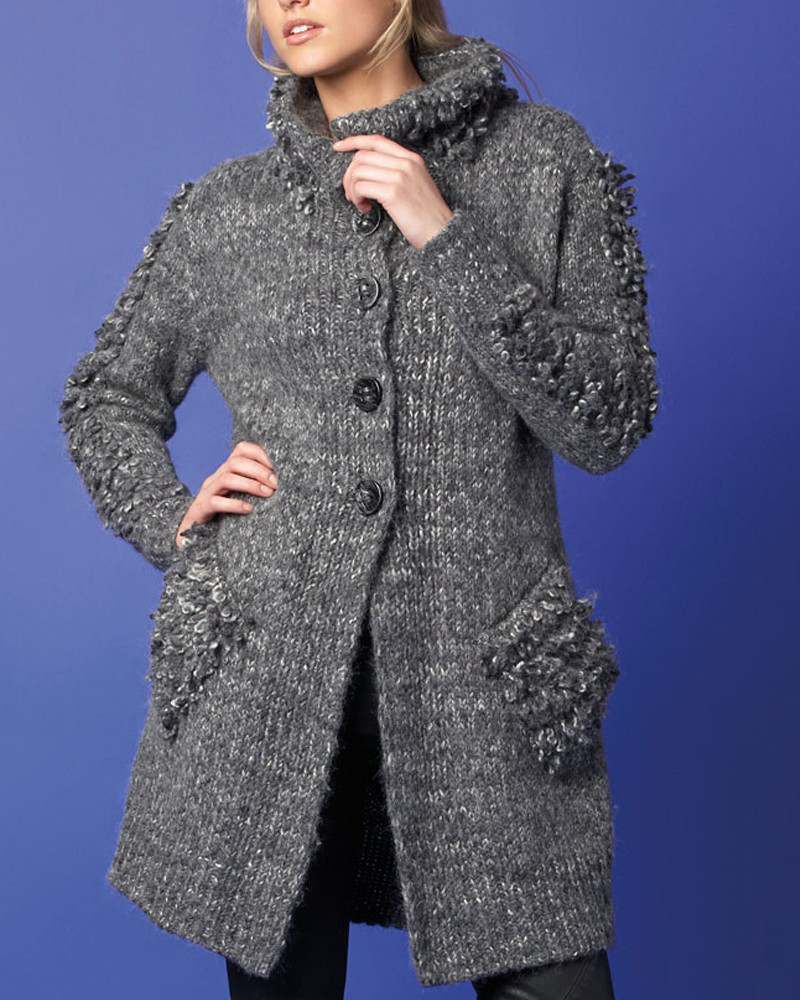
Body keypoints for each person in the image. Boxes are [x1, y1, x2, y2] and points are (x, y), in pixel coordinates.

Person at [59, 1, 659, 997]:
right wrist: (173, 518)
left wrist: (446, 234)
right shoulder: (228, 209)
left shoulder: (543, 161)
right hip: (270, 692)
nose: (289, 0)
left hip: (486, 686)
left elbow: (609, 419)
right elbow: (104, 399)